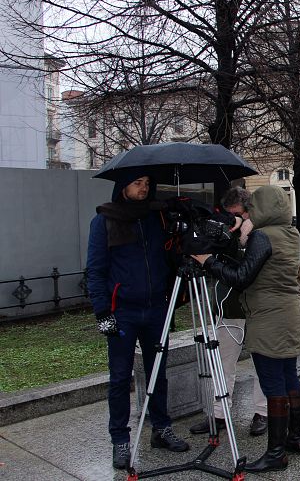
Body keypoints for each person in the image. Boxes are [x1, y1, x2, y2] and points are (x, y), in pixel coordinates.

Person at [192, 185, 300, 472]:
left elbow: (241, 277)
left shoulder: (262, 236)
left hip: (268, 317)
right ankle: (296, 438)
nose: (250, 211)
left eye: (253, 207)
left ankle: (276, 453)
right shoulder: (291, 232)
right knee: (289, 376)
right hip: (289, 313)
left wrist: (209, 262)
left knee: (272, 383)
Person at [87, 172, 190, 470]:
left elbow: (169, 256)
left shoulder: (155, 218)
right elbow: (95, 271)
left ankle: (161, 428)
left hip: (156, 308)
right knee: (120, 377)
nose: (143, 188)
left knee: (158, 372)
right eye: (137, 183)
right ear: (123, 187)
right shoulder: (105, 220)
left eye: (147, 183)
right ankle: (120, 439)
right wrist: (102, 312)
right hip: (123, 312)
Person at [187, 186, 269, 438]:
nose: (234, 220)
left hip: (257, 306)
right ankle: (219, 414)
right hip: (228, 303)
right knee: (223, 363)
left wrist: (248, 232)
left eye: (238, 214)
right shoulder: (224, 230)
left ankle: (262, 413)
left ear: (249, 210)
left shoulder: (263, 231)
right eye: (229, 215)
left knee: (262, 362)